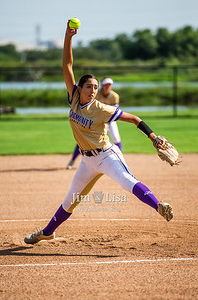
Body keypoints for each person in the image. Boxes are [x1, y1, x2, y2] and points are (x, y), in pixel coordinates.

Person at [24, 20, 173, 244]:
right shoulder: (74, 98)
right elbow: (67, 66)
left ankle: (159, 206)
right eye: (89, 86)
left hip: (106, 155)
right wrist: (68, 36)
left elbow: (134, 119)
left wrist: (152, 137)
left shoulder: (102, 108)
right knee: (70, 201)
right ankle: (48, 232)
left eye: (95, 87)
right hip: (86, 161)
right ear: (79, 88)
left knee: (126, 180)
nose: (93, 90)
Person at [66, 76, 122, 169]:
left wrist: (106, 124)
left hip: (110, 120)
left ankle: (120, 160)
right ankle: (73, 160)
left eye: (109, 84)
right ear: (102, 86)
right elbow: (93, 110)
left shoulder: (114, 96)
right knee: (85, 139)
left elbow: (113, 112)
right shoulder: (96, 94)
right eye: (105, 84)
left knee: (116, 138)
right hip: (93, 119)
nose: (107, 86)